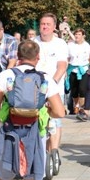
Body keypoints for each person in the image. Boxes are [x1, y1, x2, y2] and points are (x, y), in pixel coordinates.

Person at [0, 40, 65, 180]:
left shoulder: (6, 75)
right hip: (34, 133)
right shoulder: (45, 78)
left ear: (18, 57)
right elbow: (60, 112)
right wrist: (47, 110)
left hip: (7, 132)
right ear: (38, 57)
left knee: (4, 179)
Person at [34, 13, 69, 159]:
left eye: (48, 24)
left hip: (55, 88)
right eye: (43, 24)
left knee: (54, 120)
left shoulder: (60, 43)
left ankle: (53, 153)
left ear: (54, 27)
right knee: (38, 120)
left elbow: (62, 66)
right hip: (35, 89)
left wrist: (51, 85)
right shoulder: (33, 43)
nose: (45, 27)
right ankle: (41, 151)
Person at [67, 28, 90, 120]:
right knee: (74, 91)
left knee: (82, 89)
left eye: (79, 34)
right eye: (76, 34)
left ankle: (81, 109)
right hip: (73, 69)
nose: (77, 36)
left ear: (83, 36)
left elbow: (89, 58)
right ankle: (76, 104)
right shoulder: (70, 45)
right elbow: (67, 58)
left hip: (83, 70)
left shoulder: (86, 46)